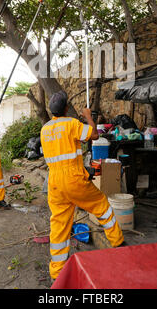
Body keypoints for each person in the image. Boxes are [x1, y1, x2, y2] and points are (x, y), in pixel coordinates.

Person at [40, 91, 125, 282]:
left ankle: (57, 273)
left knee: (60, 226)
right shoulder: (72, 124)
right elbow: (94, 135)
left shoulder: (45, 129)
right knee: (102, 205)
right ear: (66, 109)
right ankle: (118, 242)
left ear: (52, 110)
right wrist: (88, 117)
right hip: (73, 179)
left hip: (54, 181)